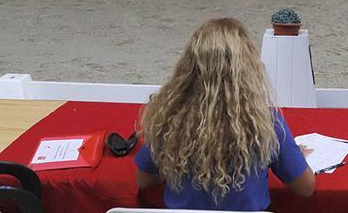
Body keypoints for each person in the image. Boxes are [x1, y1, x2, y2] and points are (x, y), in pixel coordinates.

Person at [135, 18, 315, 210]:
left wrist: (177, 158)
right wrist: (297, 158)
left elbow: (144, 180)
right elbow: (305, 188)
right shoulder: (267, 124)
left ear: (188, 68)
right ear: (248, 69)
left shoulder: (170, 120)